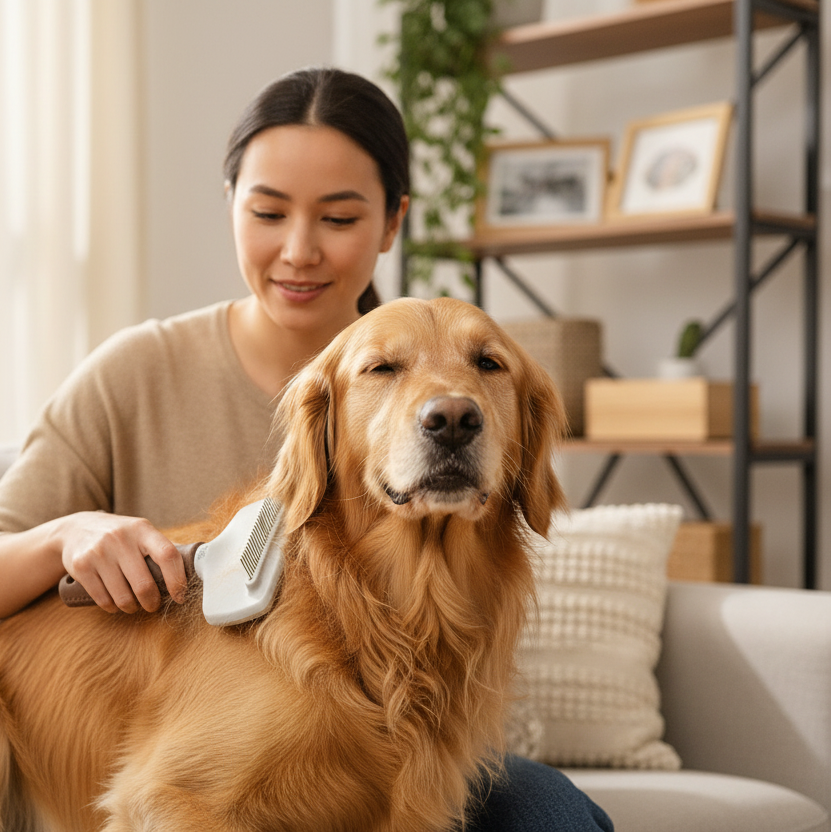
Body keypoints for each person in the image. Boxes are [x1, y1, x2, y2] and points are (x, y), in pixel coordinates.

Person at [0, 67, 612, 831]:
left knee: (555, 814)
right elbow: (167, 800)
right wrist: (65, 534)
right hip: (142, 728)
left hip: (411, 721)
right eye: (268, 211)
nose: (298, 250)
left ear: (392, 223)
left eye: (339, 217)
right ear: (231, 209)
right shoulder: (135, 372)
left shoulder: (439, 354)